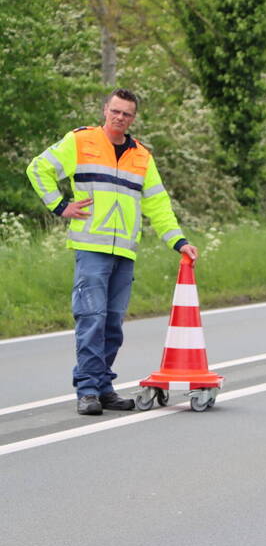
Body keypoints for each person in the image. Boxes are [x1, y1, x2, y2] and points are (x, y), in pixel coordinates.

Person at [26, 88, 199, 415]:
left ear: (134, 118)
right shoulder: (81, 142)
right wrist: (60, 206)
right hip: (91, 247)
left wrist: (178, 241)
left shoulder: (141, 156)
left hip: (125, 254)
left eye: (127, 114)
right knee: (91, 319)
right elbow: (38, 169)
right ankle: (88, 389)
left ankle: (103, 387)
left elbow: (158, 205)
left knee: (112, 325)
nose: (120, 117)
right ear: (105, 110)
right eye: (115, 111)